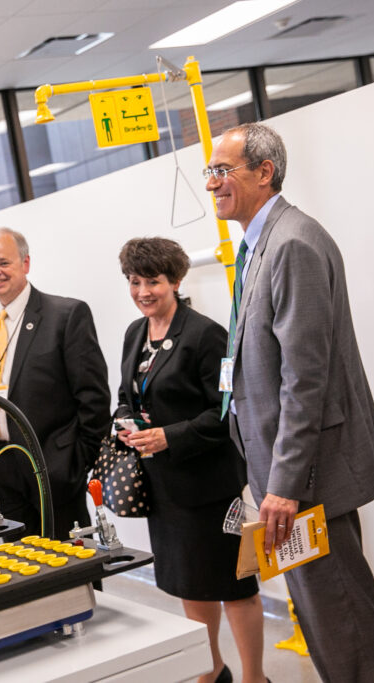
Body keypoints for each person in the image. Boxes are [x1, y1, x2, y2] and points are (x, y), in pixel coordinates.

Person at [206, 122, 374, 682]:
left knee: (344, 623)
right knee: (326, 621)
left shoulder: (292, 243)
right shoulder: (260, 245)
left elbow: (305, 378)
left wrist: (285, 484)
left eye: (222, 170)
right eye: (209, 171)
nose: (212, 182)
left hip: (306, 481)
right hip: (287, 478)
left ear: (264, 172)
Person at [115, 237, 266, 683]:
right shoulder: (135, 333)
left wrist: (169, 436)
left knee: (234, 586)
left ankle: (255, 677)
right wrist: (125, 422)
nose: (143, 291)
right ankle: (211, 669)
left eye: (153, 282)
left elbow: (227, 411)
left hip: (210, 489)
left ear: (176, 281)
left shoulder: (205, 335)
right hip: (164, 489)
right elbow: (126, 395)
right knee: (191, 585)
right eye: (135, 281)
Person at [0, 227, 110, 541]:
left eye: (4, 262)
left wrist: (76, 464)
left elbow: (93, 398)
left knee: (69, 563)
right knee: (19, 563)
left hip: (52, 469)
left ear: (25, 263)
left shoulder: (66, 315)